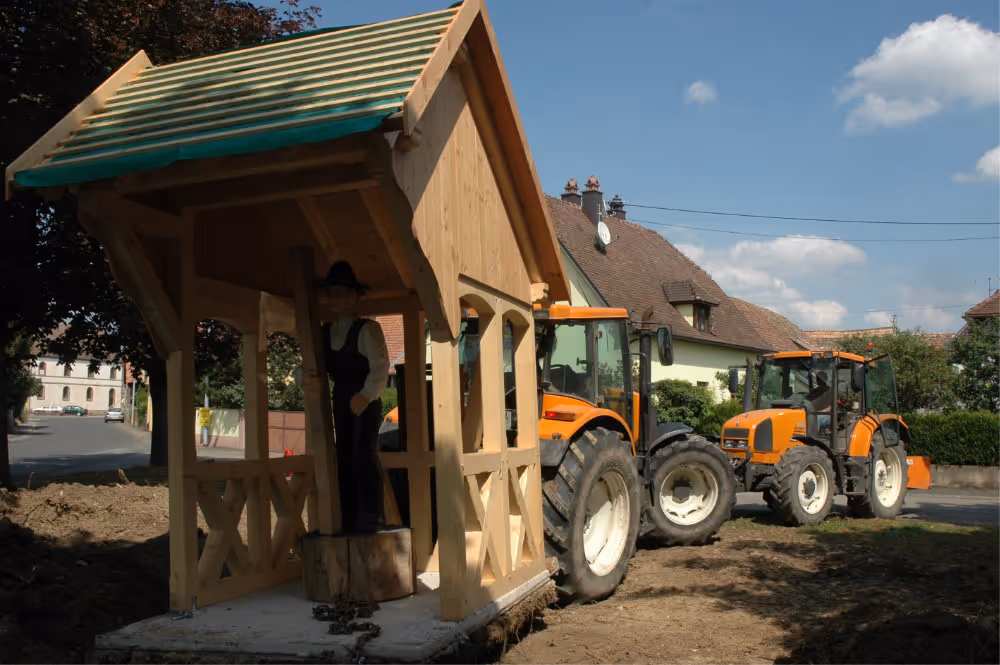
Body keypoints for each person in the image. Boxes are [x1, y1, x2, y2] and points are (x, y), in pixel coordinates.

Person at [320, 261, 390, 534]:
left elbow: (381, 366)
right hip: (341, 397)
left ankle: (371, 517)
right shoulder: (325, 331)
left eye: (339, 294)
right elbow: (318, 362)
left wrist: (367, 394)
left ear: (353, 297)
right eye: (331, 294)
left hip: (364, 400)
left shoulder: (368, 330)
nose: (334, 300)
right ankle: (348, 517)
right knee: (344, 456)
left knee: (363, 453)